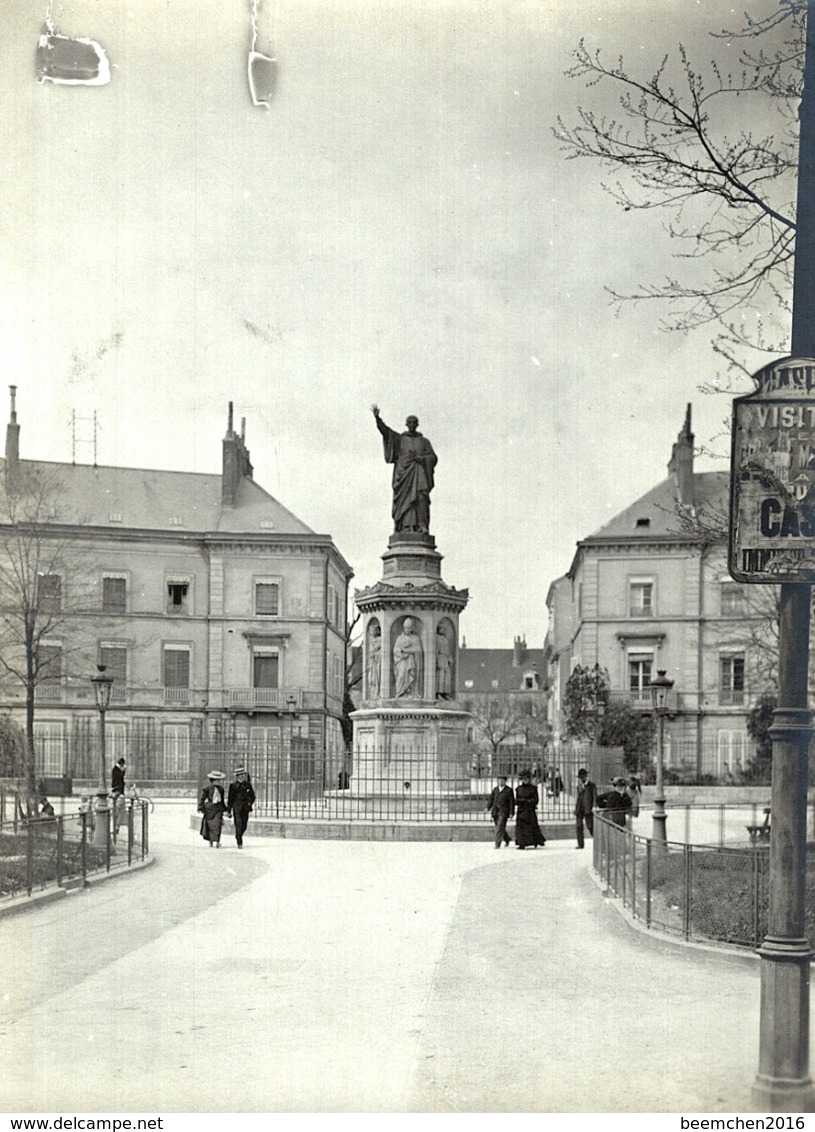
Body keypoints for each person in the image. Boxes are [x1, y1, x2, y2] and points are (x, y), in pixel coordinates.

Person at [371, 404, 438, 533]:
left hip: (419, 474)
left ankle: (421, 525)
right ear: (406, 424)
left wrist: (422, 459)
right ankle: (405, 527)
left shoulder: (424, 441)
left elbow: (433, 457)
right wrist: (378, 419)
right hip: (404, 476)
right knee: (405, 502)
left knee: (421, 498)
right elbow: (386, 432)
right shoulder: (400, 439)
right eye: (410, 422)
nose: (412, 424)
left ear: (417, 424)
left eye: (414, 422)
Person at [514, 770, 546, 849]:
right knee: (521, 828)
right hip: (521, 810)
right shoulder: (518, 789)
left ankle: (534, 842)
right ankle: (521, 843)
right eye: (523, 779)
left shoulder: (533, 788)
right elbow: (516, 800)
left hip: (530, 811)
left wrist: (528, 802)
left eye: (527, 779)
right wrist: (520, 801)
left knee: (532, 827)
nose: (525, 780)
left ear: (529, 779)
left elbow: (536, 800)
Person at [226, 767, 256, 849]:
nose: (241, 776)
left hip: (246, 808)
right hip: (237, 808)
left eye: (243, 775)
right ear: (236, 776)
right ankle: (239, 842)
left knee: (244, 825)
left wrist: (250, 802)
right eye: (239, 775)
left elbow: (253, 796)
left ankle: (238, 835)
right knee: (238, 824)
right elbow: (230, 799)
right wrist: (229, 810)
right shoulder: (233, 786)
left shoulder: (247, 785)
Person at [393, 617, 423, 698]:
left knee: (412, 676)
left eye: (409, 628)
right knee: (401, 676)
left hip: (412, 661)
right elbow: (396, 650)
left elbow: (418, 651)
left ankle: (412, 693)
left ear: (412, 628)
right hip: (401, 661)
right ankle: (400, 693)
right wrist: (403, 652)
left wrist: (408, 651)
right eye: (406, 628)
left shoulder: (415, 638)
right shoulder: (400, 638)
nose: (407, 630)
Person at [198, 771, 227, 848]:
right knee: (210, 826)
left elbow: (222, 800)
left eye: (219, 780)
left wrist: (225, 809)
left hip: (218, 809)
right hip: (209, 809)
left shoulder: (221, 789)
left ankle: (217, 841)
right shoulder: (207, 789)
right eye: (216, 780)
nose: (218, 782)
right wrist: (200, 807)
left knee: (217, 825)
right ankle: (211, 841)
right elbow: (202, 799)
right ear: (212, 780)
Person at [486, 774, 515, 848]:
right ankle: (507, 839)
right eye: (499, 780)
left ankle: (497, 844)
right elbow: (491, 799)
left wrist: (511, 812)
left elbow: (512, 802)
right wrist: (487, 807)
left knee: (499, 826)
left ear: (505, 781)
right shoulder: (495, 789)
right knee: (499, 827)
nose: (500, 782)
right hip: (495, 811)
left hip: (504, 811)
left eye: (502, 780)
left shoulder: (509, 790)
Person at [574, 767, 596, 849]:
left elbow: (594, 796)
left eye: (583, 777)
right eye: (580, 778)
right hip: (580, 808)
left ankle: (597, 841)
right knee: (579, 826)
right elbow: (578, 797)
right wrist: (576, 808)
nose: (582, 779)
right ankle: (580, 844)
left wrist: (594, 806)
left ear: (586, 776)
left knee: (590, 826)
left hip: (588, 809)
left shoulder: (592, 785)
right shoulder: (579, 786)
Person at [435, 624, 453, 698]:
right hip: (440, 658)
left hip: (446, 659)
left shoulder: (445, 640)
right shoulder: (436, 638)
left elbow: (448, 651)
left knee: (446, 677)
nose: (444, 630)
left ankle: (445, 693)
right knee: (440, 676)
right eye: (442, 629)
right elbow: (435, 650)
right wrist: (436, 660)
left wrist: (450, 658)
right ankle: (438, 693)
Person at [111, 757, 126, 841]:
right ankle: (116, 827)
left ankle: (116, 827)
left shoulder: (117, 769)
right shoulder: (116, 769)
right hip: (118, 790)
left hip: (119, 791)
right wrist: (123, 771)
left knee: (119, 811)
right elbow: (119, 778)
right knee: (117, 811)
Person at [366, 623, 382, 698]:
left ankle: (377, 693)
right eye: (370, 631)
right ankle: (372, 694)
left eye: (373, 631)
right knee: (371, 678)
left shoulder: (380, 640)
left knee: (376, 677)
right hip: (372, 662)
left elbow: (377, 650)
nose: (371, 633)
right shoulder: (371, 641)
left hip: (377, 662)